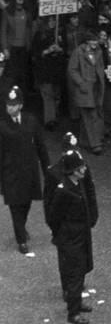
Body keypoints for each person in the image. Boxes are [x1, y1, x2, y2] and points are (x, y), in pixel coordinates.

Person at [46, 148, 98, 324]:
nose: (84, 170)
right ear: (72, 172)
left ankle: (76, 302)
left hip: (79, 236)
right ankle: (73, 313)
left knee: (80, 270)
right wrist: (64, 234)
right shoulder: (64, 191)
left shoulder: (75, 185)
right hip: (71, 239)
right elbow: (54, 217)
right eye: (80, 168)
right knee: (75, 274)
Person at [0, 85, 49, 256]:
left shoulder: (31, 120)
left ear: (20, 105)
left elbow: (41, 145)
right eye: (8, 105)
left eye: (13, 105)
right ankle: (21, 238)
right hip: (10, 172)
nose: (10, 108)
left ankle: (21, 226)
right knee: (15, 205)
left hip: (29, 170)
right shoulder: (2, 125)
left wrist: (46, 167)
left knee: (26, 203)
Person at [67, 30, 106, 155]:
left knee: (90, 114)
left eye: (96, 40)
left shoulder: (99, 51)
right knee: (90, 115)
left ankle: (84, 141)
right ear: (87, 41)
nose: (95, 42)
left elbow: (100, 67)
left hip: (96, 87)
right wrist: (81, 83)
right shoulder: (78, 52)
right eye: (92, 40)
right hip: (85, 88)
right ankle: (96, 144)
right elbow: (72, 69)